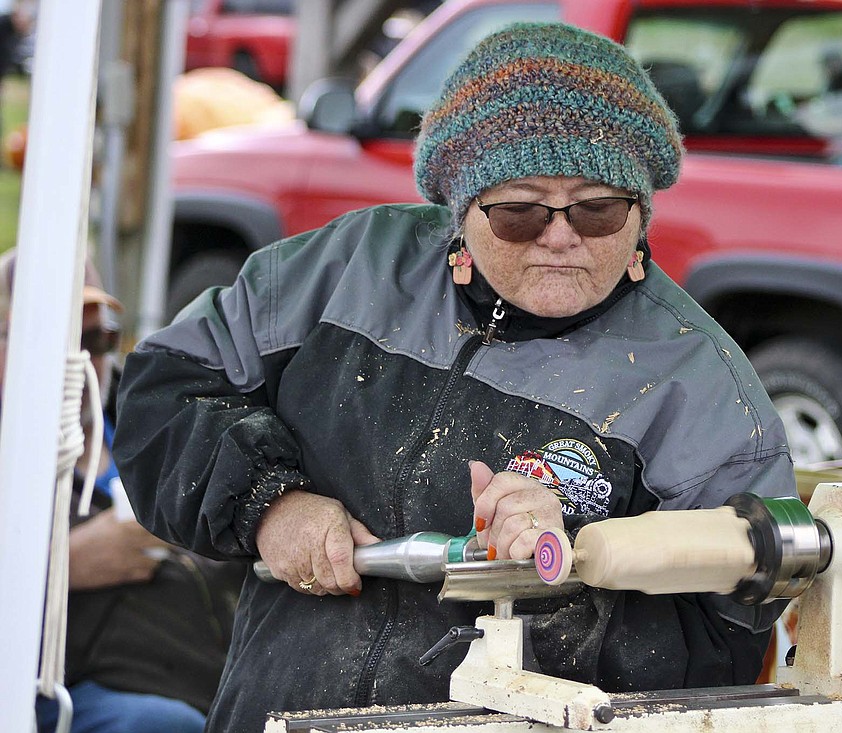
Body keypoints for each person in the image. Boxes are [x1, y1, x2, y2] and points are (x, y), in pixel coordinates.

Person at [114, 22, 796, 733]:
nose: (561, 236)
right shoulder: (345, 270)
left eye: (598, 207)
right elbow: (165, 388)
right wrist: (268, 503)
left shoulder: (701, 388)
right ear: (462, 212)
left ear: (641, 212)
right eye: (520, 211)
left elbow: (726, 644)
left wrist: (556, 590)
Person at [0, 250, 245, 733]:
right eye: (55, 337)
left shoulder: (144, 443)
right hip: (72, 689)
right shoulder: (14, 457)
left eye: (98, 337)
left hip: (206, 676)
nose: (83, 359)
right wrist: (59, 566)